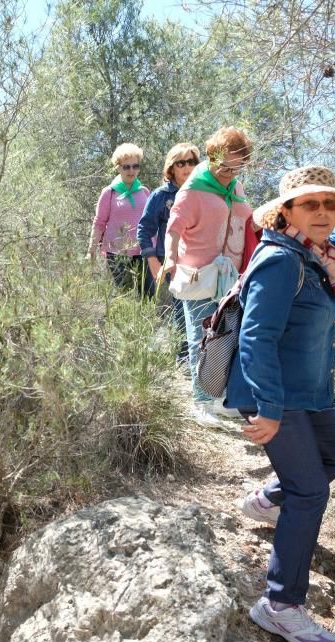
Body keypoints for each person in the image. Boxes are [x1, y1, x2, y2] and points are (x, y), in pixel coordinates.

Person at [226, 166, 335, 642]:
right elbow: (256, 338)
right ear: (286, 211)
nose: (322, 213)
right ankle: (279, 605)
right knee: (310, 493)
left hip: (308, 395)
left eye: (329, 205)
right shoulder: (280, 260)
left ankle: (269, 499)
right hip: (276, 398)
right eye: (310, 204)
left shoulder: (316, 256)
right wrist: (268, 409)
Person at [162, 127, 254, 426]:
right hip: (200, 275)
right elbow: (173, 228)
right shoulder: (194, 188)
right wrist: (170, 257)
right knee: (201, 337)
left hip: (233, 276)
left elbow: (247, 222)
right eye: (224, 166)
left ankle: (221, 398)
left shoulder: (236, 187)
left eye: (236, 167)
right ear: (212, 156)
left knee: (229, 337)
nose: (229, 173)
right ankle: (201, 402)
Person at [137, 143, 201, 363]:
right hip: (173, 261)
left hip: (202, 260)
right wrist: (153, 260)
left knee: (203, 309)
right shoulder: (160, 196)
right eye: (181, 163)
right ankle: (184, 359)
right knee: (181, 309)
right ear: (171, 167)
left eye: (192, 162)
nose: (187, 167)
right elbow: (144, 230)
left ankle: (204, 361)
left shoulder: (203, 192)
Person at [87, 143, 152, 296]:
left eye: (135, 166)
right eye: (126, 167)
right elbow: (99, 222)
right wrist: (91, 250)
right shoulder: (109, 193)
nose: (131, 171)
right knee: (125, 295)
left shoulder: (144, 192)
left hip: (142, 251)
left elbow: (150, 223)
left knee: (148, 295)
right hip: (117, 253)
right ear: (118, 167)